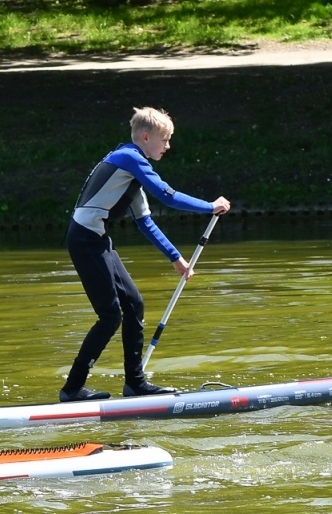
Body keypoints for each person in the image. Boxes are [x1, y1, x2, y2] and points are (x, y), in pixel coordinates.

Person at [61, 108, 231, 402]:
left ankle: (135, 383)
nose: (168, 146)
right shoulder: (128, 158)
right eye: (164, 139)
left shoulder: (130, 171)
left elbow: (145, 222)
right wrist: (209, 206)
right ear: (145, 136)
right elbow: (168, 195)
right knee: (110, 315)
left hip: (98, 239)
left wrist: (176, 258)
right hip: (84, 239)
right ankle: (72, 388)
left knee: (134, 305)